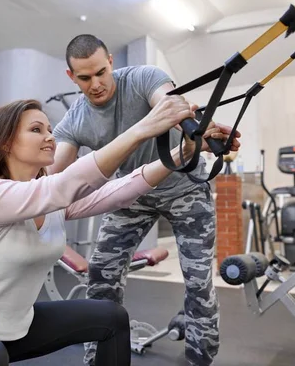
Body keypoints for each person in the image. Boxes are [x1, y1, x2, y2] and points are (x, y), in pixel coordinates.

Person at [0, 97, 213, 366]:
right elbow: (65, 185)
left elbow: (120, 191)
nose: (49, 136)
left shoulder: (54, 202)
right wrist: (142, 129)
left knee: (111, 318)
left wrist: (183, 152)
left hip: (17, 329)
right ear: (6, 143)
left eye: (49, 129)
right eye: (36, 130)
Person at [51, 34, 241, 366]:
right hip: (133, 196)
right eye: (84, 77)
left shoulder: (142, 77)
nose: (96, 83)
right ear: (71, 77)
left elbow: (170, 105)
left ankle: (200, 358)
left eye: (100, 72)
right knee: (101, 273)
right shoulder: (75, 121)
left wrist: (198, 131)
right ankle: (99, 357)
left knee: (198, 282)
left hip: (185, 190)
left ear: (110, 61)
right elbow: (53, 179)